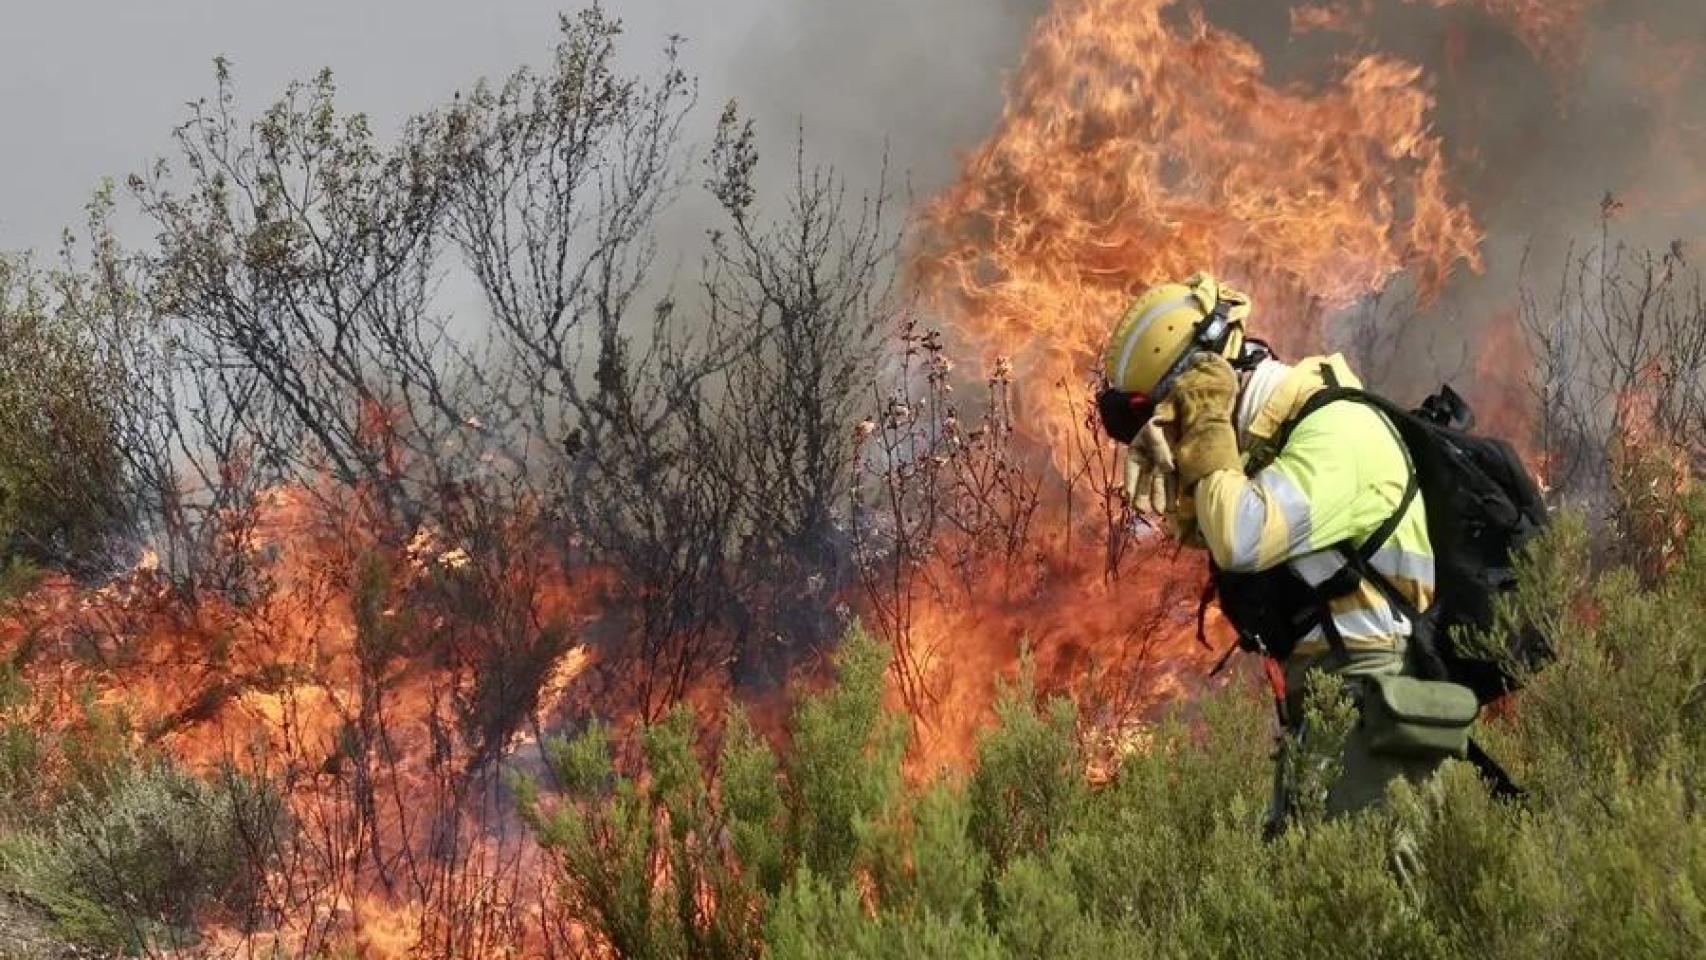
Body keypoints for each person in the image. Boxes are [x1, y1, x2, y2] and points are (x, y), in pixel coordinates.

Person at [1098, 272, 1468, 830]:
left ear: (1205, 385)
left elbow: (1241, 537)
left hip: (1371, 692)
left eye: (1168, 416)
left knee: (1371, 900)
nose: (1169, 437)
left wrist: (1204, 423)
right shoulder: (1278, 445)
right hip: (1325, 699)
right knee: (1307, 892)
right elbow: (1208, 531)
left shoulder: (1339, 429)